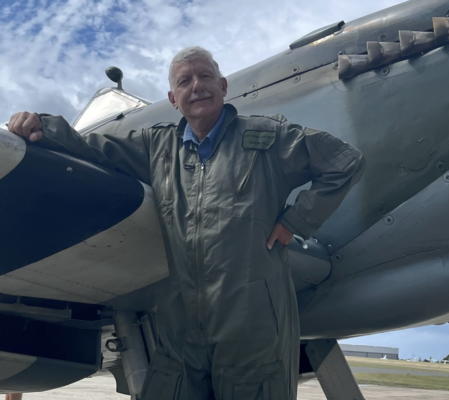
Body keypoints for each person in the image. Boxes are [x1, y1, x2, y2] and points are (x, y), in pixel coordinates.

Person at [8, 46, 365, 400]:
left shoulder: (266, 136)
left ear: (222, 86)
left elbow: (344, 162)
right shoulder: (157, 146)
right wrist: (41, 125)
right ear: (173, 99)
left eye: (205, 76)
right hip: (181, 328)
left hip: (252, 325)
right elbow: (93, 149)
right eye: (184, 81)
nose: (196, 86)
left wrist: (295, 221)